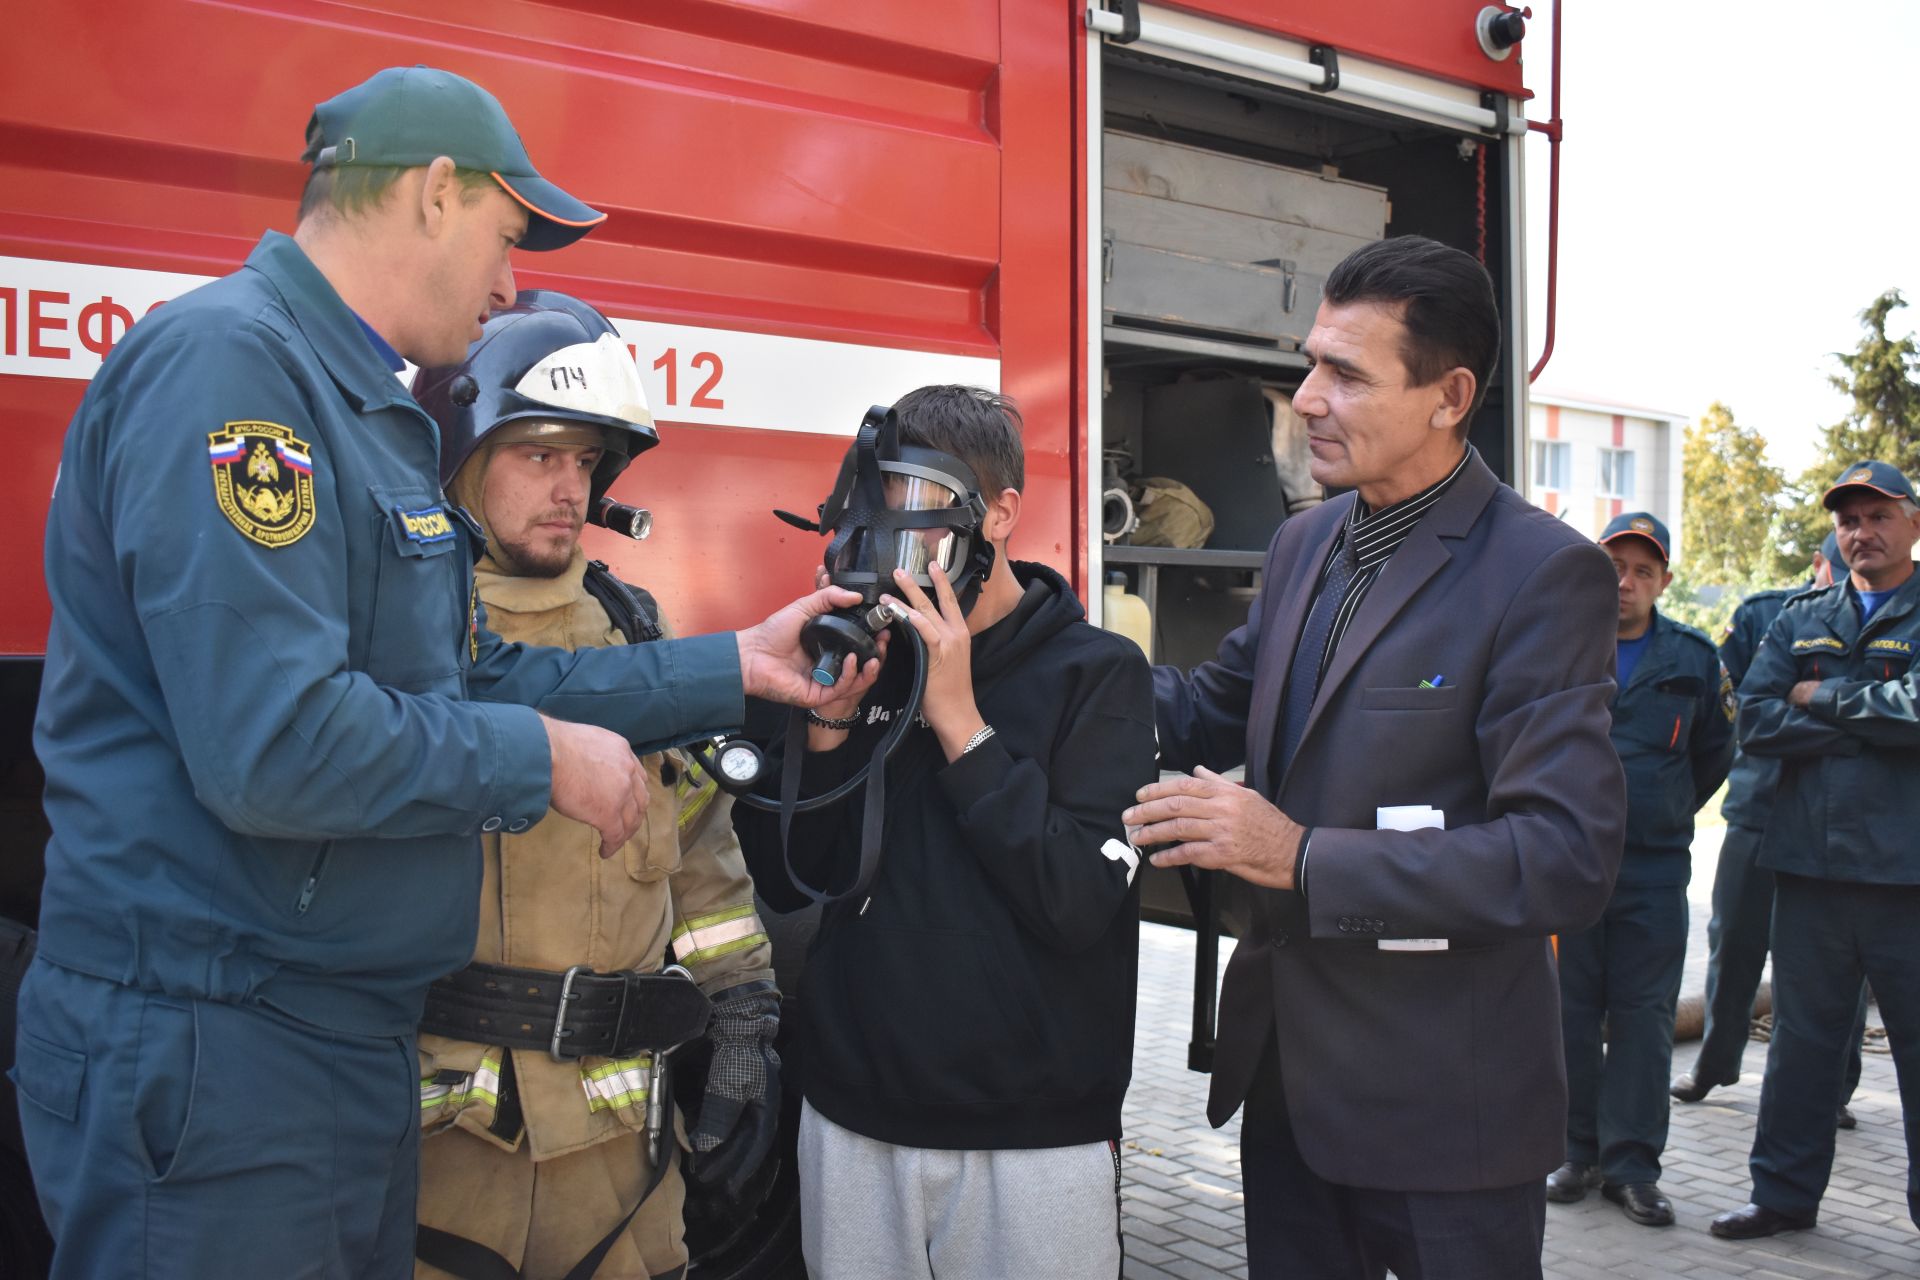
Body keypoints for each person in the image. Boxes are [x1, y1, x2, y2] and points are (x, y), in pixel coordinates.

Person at [13, 66, 865, 1280]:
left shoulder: (360, 410)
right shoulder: (234, 372)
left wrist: (736, 663)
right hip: (220, 1047)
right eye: (508, 237)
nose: (513, 282)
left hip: (328, 1045)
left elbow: (470, 675)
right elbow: (275, 744)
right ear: (432, 193)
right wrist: (543, 760)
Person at [1129, 235, 1625, 1279]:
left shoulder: (1543, 574)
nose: (1307, 398)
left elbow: (1563, 855)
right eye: (1311, 362)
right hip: (1290, 1091)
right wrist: (1017, 653)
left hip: (1447, 1109)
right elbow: (1209, 706)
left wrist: (1301, 855)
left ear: (1448, 395)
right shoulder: (1306, 544)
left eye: (1346, 373)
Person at [733, 386, 1158, 1280]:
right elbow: (791, 882)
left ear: (1000, 512)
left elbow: (1077, 902)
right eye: (873, 516)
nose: (893, 547)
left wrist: (963, 726)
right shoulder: (862, 653)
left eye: (918, 514)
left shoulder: (1098, 675)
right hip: (851, 1119)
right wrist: (827, 729)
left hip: (1031, 1138)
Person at [406, 293, 781, 1280]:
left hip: (618, 1174)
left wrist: (742, 1022)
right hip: (441, 1163)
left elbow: (703, 854)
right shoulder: (406, 642)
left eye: (586, 460)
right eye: (538, 454)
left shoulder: (636, 633)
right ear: (462, 458)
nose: (568, 486)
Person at [1711, 460, 1920, 1241]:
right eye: (1847, 520)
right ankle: (1783, 1197)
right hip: (1811, 871)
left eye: (1877, 516)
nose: (1861, 533)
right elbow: (1757, 721)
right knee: (1802, 1048)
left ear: (1913, 523)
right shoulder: (1799, 619)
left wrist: (1821, 696)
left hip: (1907, 876)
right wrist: (1873, 727)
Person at [1545, 513, 1733, 1227]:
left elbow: (1716, 751)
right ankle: (1576, 1152)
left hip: (1652, 873)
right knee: (1568, 1014)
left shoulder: (1692, 657)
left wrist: (1667, 807)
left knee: (1644, 1021)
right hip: (1567, 865)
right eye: (1614, 566)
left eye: (1643, 571)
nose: (1625, 582)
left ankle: (1631, 1168)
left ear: (1663, 582)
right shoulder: (1557, 645)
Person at [1673, 532, 1870, 1128]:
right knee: (1734, 942)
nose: (1844, 583)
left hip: (1839, 818)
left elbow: (1875, 709)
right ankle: (1715, 1063)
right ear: (1817, 565)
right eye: (1836, 572)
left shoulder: (1876, 620)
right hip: (1759, 808)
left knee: (1839, 959)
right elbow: (1743, 713)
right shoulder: (1764, 614)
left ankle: (1834, 1086)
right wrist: (1844, 719)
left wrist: (1813, 703)